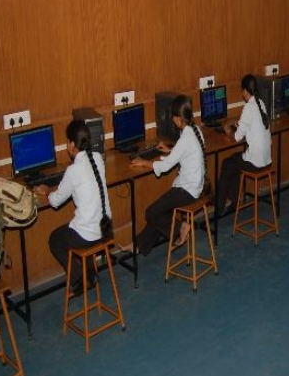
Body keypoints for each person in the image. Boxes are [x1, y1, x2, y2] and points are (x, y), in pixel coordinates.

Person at [35, 120, 112, 295]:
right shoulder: (98, 158)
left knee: (55, 239)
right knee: (82, 225)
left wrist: (47, 191)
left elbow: (55, 201)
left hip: (89, 235)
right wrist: (59, 187)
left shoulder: (73, 170)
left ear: (71, 144)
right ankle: (91, 273)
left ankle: (80, 278)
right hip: (105, 229)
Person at [125, 96, 207, 256]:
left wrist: (143, 162)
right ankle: (139, 245)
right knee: (161, 214)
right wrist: (170, 151)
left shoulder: (185, 138)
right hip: (196, 186)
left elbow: (164, 167)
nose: (172, 120)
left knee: (151, 212)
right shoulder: (195, 131)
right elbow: (186, 152)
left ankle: (180, 227)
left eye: (173, 117)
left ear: (178, 118)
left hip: (187, 191)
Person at [217, 74, 272, 215]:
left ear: (246, 91)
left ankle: (220, 206)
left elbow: (237, 137)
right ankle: (232, 201)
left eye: (242, 90)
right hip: (266, 159)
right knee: (235, 162)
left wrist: (228, 130)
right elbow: (254, 125)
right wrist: (241, 125)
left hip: (255, 162)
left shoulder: (248, 107)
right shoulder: (261, 103)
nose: (241, 93)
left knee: (227, 164)